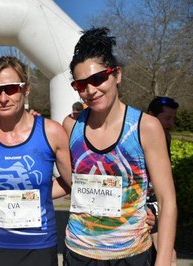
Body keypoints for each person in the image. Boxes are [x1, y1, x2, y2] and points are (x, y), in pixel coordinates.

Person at [61, 27, 177, 265]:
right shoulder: (71, 126)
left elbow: (167, 200)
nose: (90, 90)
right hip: (78, 254)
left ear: (117, 75)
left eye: (97, 79)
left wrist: (163, 258)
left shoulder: (146, 127)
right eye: (80, 85)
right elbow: (69, 182)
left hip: (130, 255)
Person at [0, 56, 72, 266]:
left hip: (38, 247)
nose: (3, 98)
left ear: (26, 89)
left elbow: (74, 183)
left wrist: (38, 194)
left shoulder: (52, 131)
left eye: (11, 88)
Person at [147, 96, 179, 265]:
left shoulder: (166, 136)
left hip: (159, 203)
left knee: (168, 255)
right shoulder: (138, 137)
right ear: (151, 116)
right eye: (167, 118)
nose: (171, 123)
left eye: (173, 118)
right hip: (142, 205)